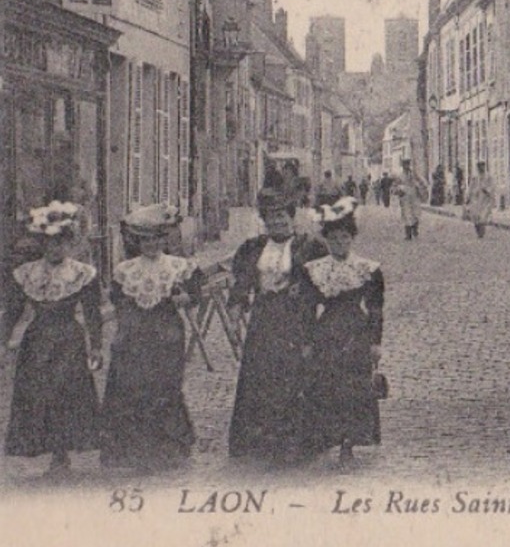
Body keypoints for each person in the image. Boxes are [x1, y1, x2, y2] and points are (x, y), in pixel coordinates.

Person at [101, 204, 204, 472]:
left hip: (167, 333)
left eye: (156, 239)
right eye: (145, 240)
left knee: (165, 387)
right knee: (133, 386)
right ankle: (134, 448)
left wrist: (186, 298)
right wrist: (124, 327)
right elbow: (118, 300)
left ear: (164, 240)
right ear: (138, 242)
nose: (151, 245)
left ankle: (168, 447)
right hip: (135, 334)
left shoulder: (178, 267)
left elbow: (196, 293)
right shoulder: (126, 270)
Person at [227, 187, 325, 466]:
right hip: (264, 321)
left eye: (282, 218)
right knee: (261, 377)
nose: (277, 224)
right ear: (265, 221)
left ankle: (294, 443)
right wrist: (235, 313)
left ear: (292, 218)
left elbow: (323, 284)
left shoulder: (309, 247)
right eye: (271, 219)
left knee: (294, 377)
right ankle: (259, 442)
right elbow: (242, 284)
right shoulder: (253, 249)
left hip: (296, 321)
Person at [4, 202, 102, 478]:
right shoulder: (27, 274)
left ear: (70, 244)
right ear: (41, 245)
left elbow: (93, 314)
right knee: (39, 397)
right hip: (36, 343)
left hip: (68, 341)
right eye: (49, 244)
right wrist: (2, 342)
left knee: (66, 395)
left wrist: (95, 346)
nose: (54, 249)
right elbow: (12, 312)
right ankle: (46, 449)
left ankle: (62, 454)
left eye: (60, 243)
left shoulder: (82, 274)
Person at [304, 198, 384, 469]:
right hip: (327, 331)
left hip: (356, 331)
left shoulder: (367, 270)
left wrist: (375, 342)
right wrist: (308, 339)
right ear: (327, 240)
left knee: (355, 388)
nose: (340, 243)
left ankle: (350, 442)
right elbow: (308, 307)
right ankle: (330, 438)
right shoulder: (316, 270)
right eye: (334, 239)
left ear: (352, 239)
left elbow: (375, 308)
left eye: (345, 238)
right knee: (328, 386)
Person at [397, 160, 429, 242]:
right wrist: (399, 190)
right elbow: (395, 186)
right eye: (404, 165)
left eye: (407, 165)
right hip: (405, 197)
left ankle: (415, 230)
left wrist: (422, 187)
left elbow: (423, 182)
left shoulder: (414, 174)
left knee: (416, 214)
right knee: (407, 215)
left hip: (415, 196)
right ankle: (408, 234)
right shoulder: (400, 176)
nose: (406, 167)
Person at [463, 162, 495, 239]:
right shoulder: (474, 178)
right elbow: (470, 188)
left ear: (484, 167)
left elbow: (492, 187)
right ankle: (478, 231)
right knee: (475, 218)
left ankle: (481, 233)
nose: (481, 168)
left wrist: (487, 190)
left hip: (485, 200)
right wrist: (467, 198)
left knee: (483, 217)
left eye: (482, 167)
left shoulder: (489, 177)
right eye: (479, 167)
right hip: (475, 200)